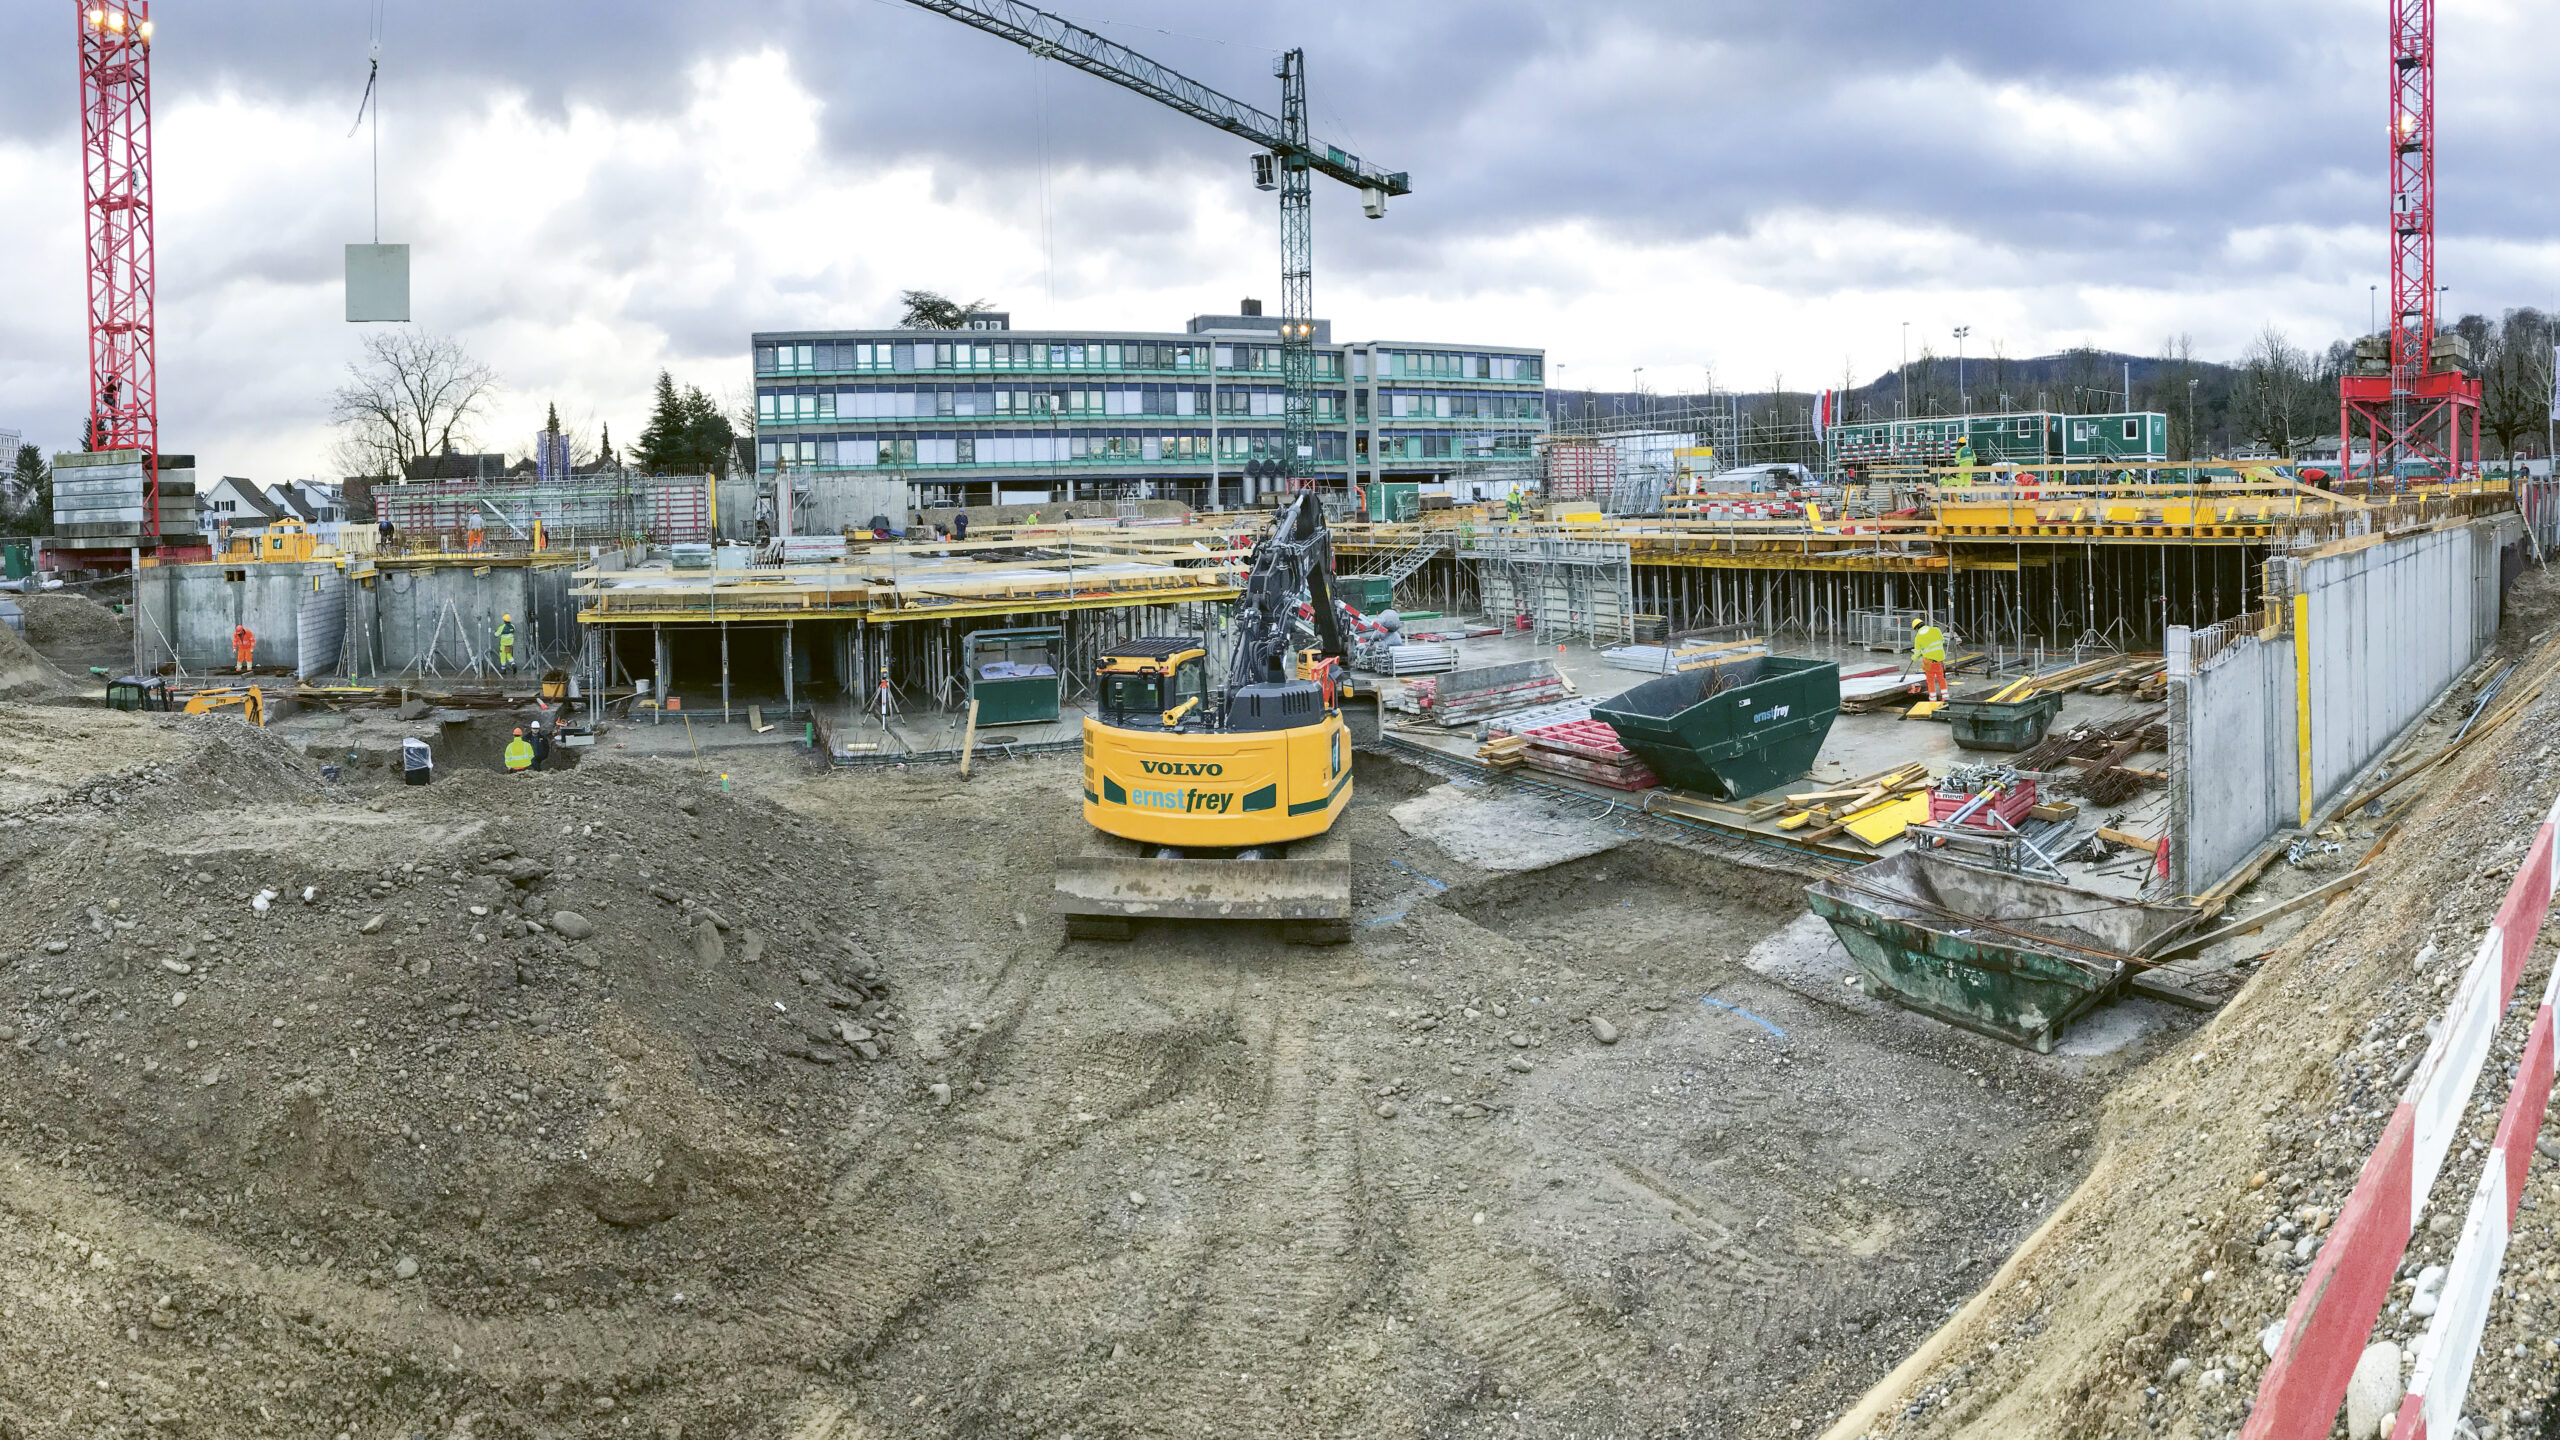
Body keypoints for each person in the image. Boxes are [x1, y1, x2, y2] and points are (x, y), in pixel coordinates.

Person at [1911, 616, 1949, 702]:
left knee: (1930, 681)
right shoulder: (1936, 630)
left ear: (1916, 628)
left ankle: (1932, 699)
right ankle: (1945, 697)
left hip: (1928, 662)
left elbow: (1917, 654)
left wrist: (1914, 657)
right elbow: (1941, 641)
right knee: (1941, 679)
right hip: (1940, 661)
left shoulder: (1918, 637)